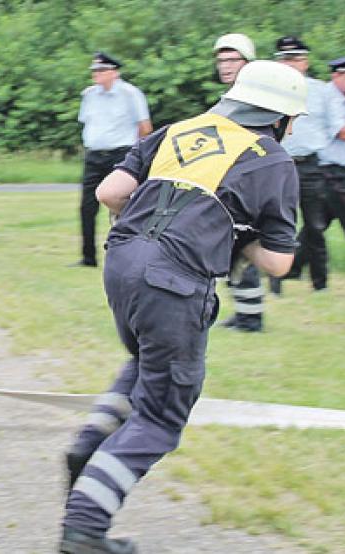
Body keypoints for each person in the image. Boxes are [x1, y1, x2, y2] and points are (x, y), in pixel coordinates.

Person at [60, 60, 305, 553]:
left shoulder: (181, 129)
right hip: (174, 282)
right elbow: (279, 262)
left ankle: (89, 451)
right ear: (280, 118)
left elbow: (111, 192)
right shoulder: (272, 158)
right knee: (162, 416)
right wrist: (242, 237)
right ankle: (85, 527)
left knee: (150, 365)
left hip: (122, 265)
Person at [275, 37, 345, 291]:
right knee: (275, 222)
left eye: (295, 59)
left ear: (305, 62)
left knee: (315, 226)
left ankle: (320, 283)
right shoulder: (269, 91)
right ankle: (276, 281)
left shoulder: (321, 91)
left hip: (312, 165)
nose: (290, 64)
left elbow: (335, 127)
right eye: (285, 59)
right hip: (280, 163)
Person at [212, 33, 272, 331]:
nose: (225, 66)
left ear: (248, 63)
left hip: (251, 183)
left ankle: (251, 318)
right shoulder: (230, 99)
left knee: (242, 245)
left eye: (232, 60)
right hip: (231, 183)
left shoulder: (253, 99)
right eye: (221, 60)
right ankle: (246, 312)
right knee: (234, 250)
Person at [74, 51, 152, 267]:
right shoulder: (89, 95)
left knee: (120, 206)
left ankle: (128, 253)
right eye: (94, 71)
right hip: (94, 155)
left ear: (113, 72)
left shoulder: (130, 94)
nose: (96, 75)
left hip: (121, 154)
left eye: (100, 70)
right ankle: (88, 256)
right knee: (86, 207)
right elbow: (88, 124)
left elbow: (145, 128)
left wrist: (137, 157)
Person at [315, 57, 345, 239]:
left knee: (317, 224)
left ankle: (291, 265)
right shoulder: (331, 97)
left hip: (338, 172)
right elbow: (342, 132)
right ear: (338, 75)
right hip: (334, 172)